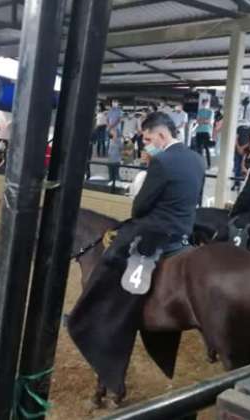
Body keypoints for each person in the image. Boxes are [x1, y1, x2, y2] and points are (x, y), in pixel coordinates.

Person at [67, 112, 205, 396]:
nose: (145, 144)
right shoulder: (196, 159)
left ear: (162, 135)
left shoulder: (162, 162)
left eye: (148, 138)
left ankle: (106, 311)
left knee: (111, 252)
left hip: (156, 232)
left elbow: (140, 208)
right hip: (182, 233)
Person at [195, 98, 214, 169]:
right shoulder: (200, 111)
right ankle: (199, 164)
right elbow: (197, 121)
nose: (205, 104)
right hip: (199, 131)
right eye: (204, 103)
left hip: (206, 131)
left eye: (206, 103)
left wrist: (202, 120)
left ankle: (209, 165)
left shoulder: (210, 111)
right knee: (198, 149)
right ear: (202, 103)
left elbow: (208, 121)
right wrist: (204, 120)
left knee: (206, 148)